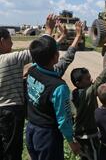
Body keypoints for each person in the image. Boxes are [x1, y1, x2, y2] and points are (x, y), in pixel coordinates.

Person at [0, 14, 71, 160]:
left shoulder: (31, 70)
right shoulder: (8, 59)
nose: (12, 44)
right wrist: (48, 29)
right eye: (10, 40)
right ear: (2, 42)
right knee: (12, 150)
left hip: (29, 127)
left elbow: (42, 52)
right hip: (10, 113)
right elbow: (36, 52)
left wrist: (61, 38)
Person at [25, 18, 84, 160]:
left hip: (31, 130)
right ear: (55, 56)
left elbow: (64, 58)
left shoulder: (32, 70)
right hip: (47, 137)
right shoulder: (59, 87)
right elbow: (63, 119)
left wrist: (58, 34)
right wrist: (71, 142)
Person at [71, 44, 106, 160]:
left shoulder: (74, 93)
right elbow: (102, 78)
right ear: (78, 83)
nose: (91, 80)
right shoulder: (88, 93)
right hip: (88, 136)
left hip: (78, 134)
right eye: (87, 79)